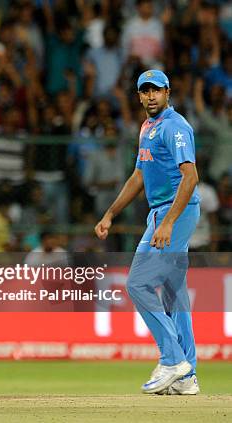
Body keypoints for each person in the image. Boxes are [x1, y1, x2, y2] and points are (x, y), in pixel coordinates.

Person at [95, 70, 200, 395]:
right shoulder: (147, 127)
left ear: (168, 92)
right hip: (162, 213)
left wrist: (168, 222)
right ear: (139, 96)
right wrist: (111, 213)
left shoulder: (175, 126)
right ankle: (187, 376)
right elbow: (139, 175)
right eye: (145, 91)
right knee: (173, 293)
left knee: (137, 283)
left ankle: (172, 359)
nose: (151, 96)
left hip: (174, 213)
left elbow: (191, 177)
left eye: (157, 90)